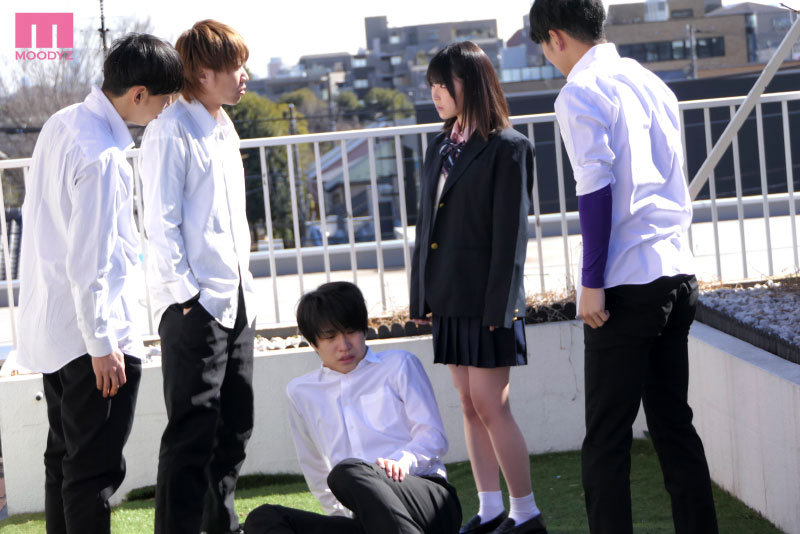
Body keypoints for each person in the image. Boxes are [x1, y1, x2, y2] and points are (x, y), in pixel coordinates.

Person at [527, 1, 720, 533]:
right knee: (674, 426)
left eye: (544, 47)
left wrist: (590, 282)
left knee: (607, 439)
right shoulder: (652, 82)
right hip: (677, 273)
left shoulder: (579, 92)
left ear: (556, 37)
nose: (548, 58)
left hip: (626, 284)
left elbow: (595, 188)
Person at [15, 34, 182, 534]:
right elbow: (90, 264)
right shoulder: (103, 156)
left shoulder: (62, 122)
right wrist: (103, 345)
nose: (165, 110)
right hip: (94, 340)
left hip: (57, 330)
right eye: (164, 99)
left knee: (64, 461)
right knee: (93, 472)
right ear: (138, 93)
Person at [409, 42, 546, 534]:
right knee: (468, 404)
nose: (435, 93)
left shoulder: (509, 147)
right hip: (448, 297)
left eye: (443, 84)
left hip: (488, 301)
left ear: (471, 83)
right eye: (431, 85)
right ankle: (490, 510)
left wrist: (500, 308)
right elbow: (426, 226)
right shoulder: (440, 146)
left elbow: (512, 238)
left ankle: (525, 513)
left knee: (491, 404)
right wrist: (421, 296)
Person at [139, 19, 256, 534]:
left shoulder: (223, 124)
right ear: (204, 73)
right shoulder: (170, 128)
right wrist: (189, 295)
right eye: (236, 66)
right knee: (191, 435)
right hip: (197, 306)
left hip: (237, 298)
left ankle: (220, 527)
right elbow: (159, 222)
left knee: (234, 427)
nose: (244, 75)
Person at [244, 281, 462, 534]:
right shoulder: (301, 392)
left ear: (363, 330)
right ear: (313, 343)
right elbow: (314, 467)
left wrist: (402, 462)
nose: (344, 345)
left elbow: (433, 436)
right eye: (330, 337)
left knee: (347, 472)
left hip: (426, 497)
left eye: (350, 332)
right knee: (263, 518)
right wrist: (342, 519)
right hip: (367, 517)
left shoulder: (399, 365)